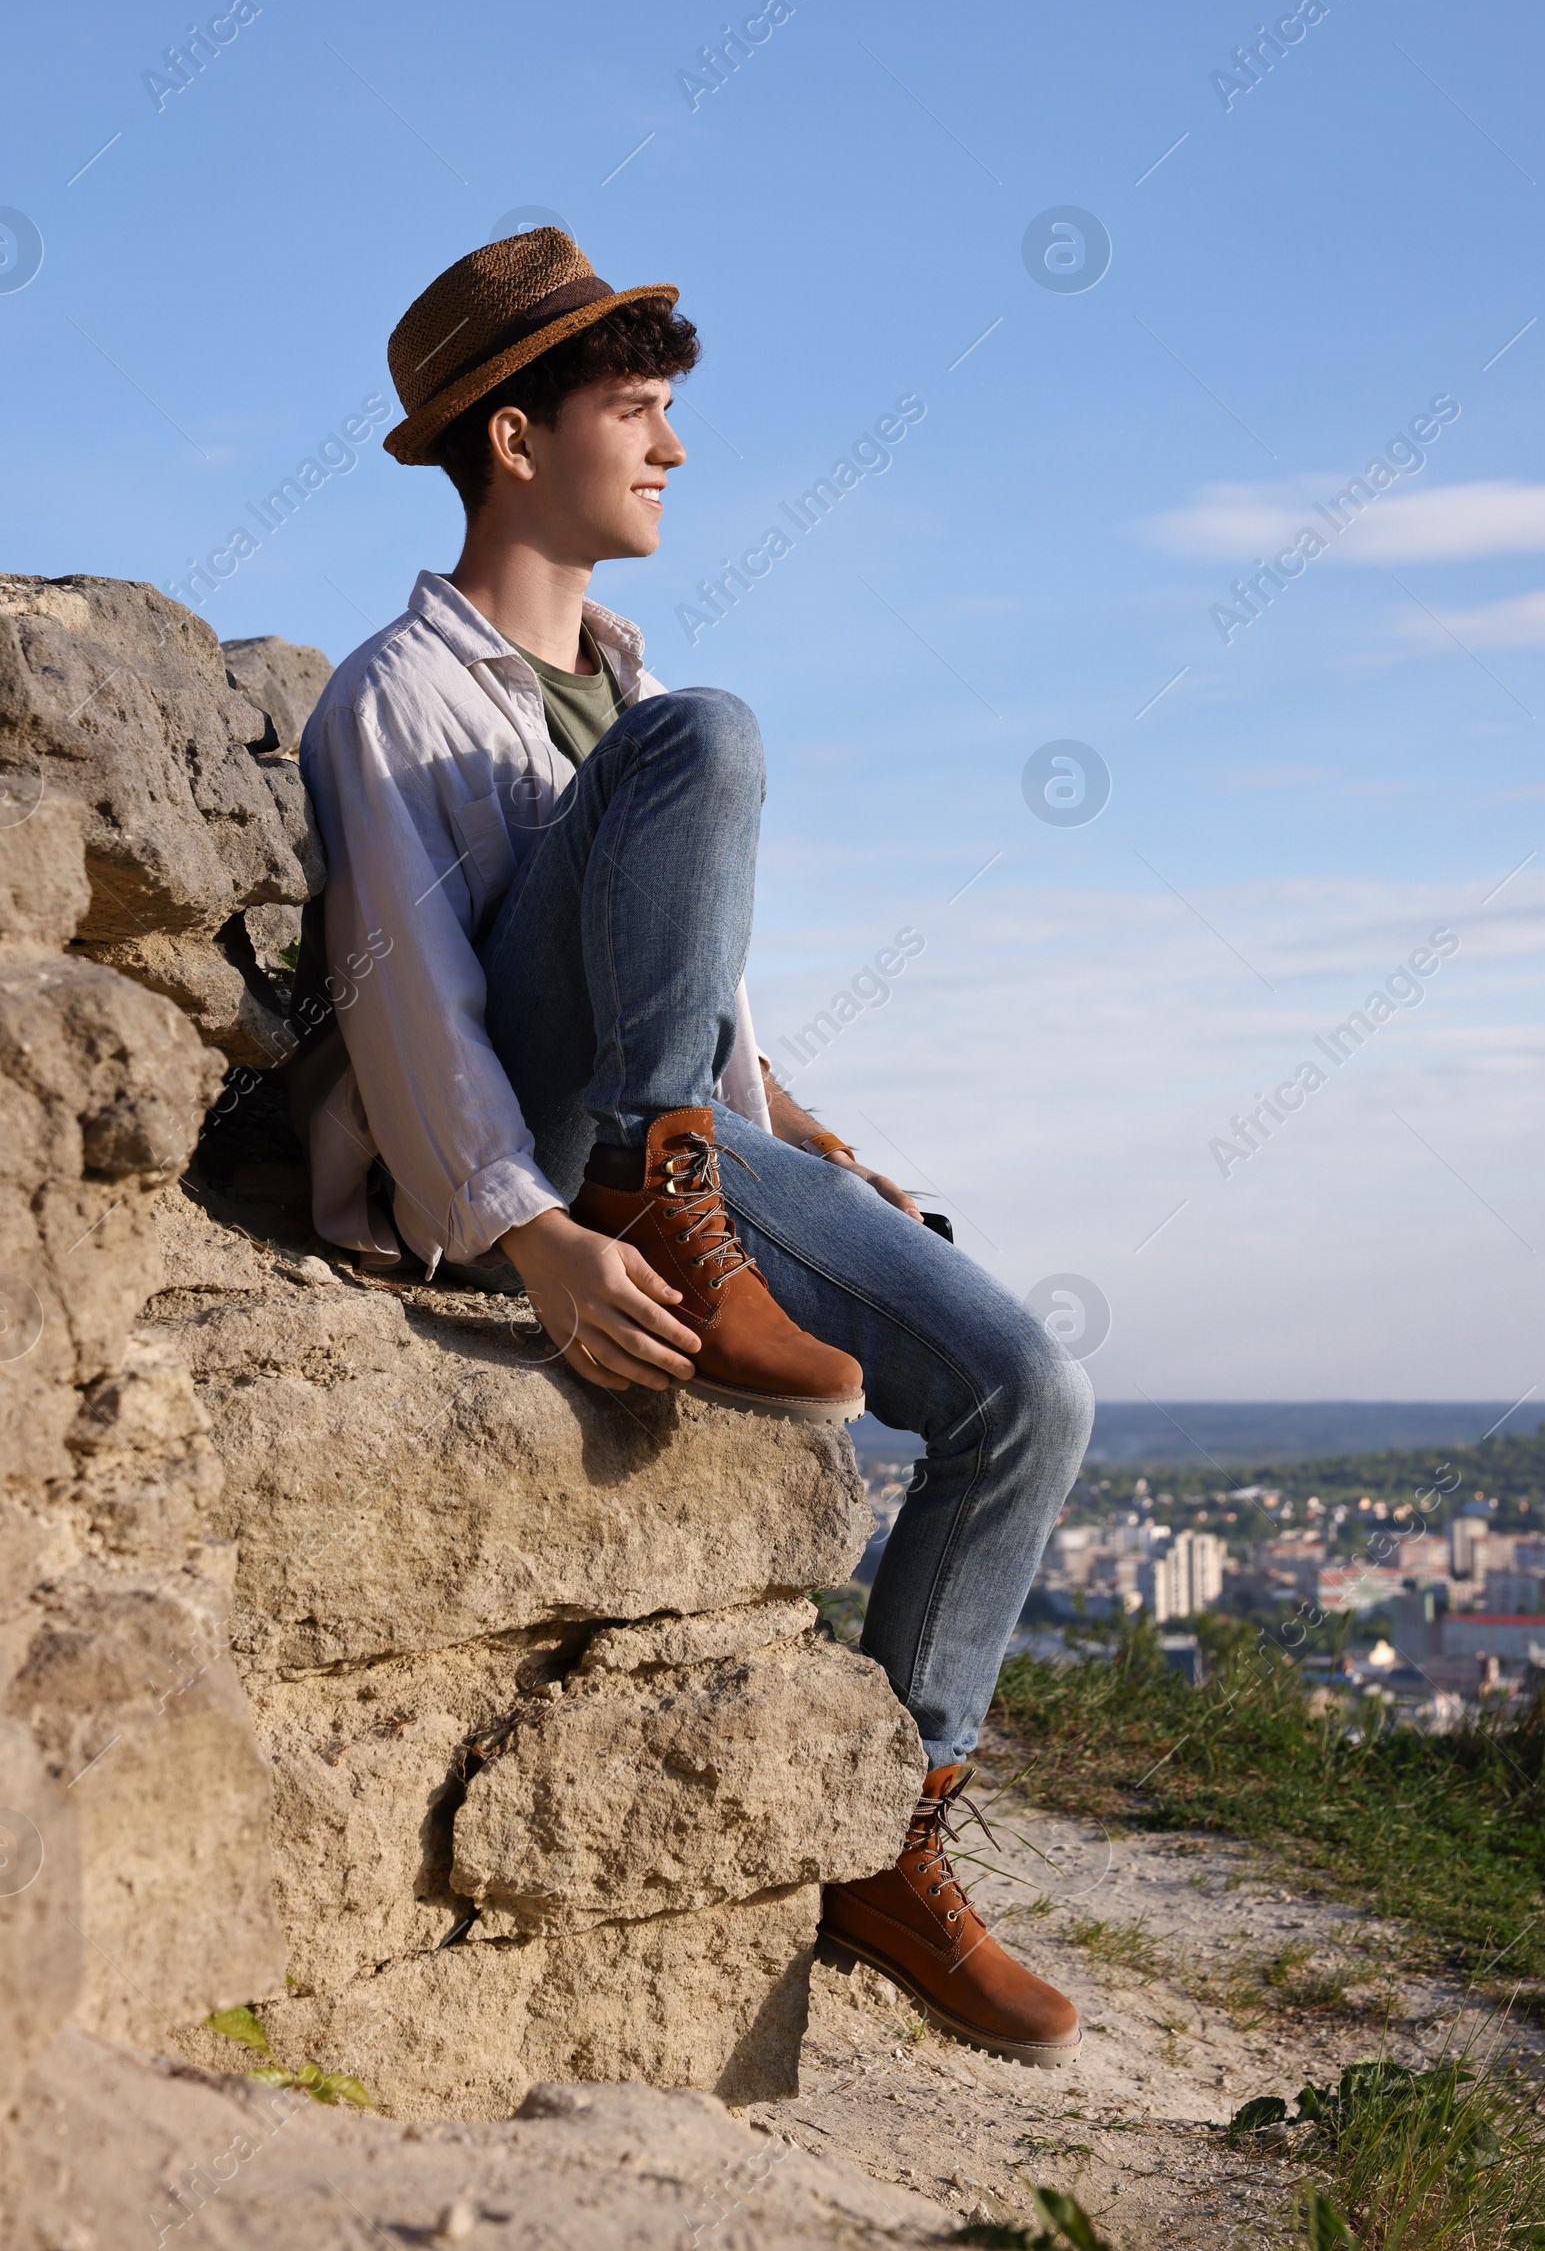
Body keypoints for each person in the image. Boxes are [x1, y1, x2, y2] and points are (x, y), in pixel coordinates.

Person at [296, 228, 1095, 2066]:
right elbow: (411, 1000)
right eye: (639, 412)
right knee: (712, 737)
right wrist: (529, 1235)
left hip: (682, 1135)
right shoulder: (395, 695)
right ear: (514, 439)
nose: (670, 451)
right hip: (564, 1157)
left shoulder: (622, 684)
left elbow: (680, 977)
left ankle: (888, 1847)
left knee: (1029, 1390)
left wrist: (796, 1131)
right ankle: (660, 1198)